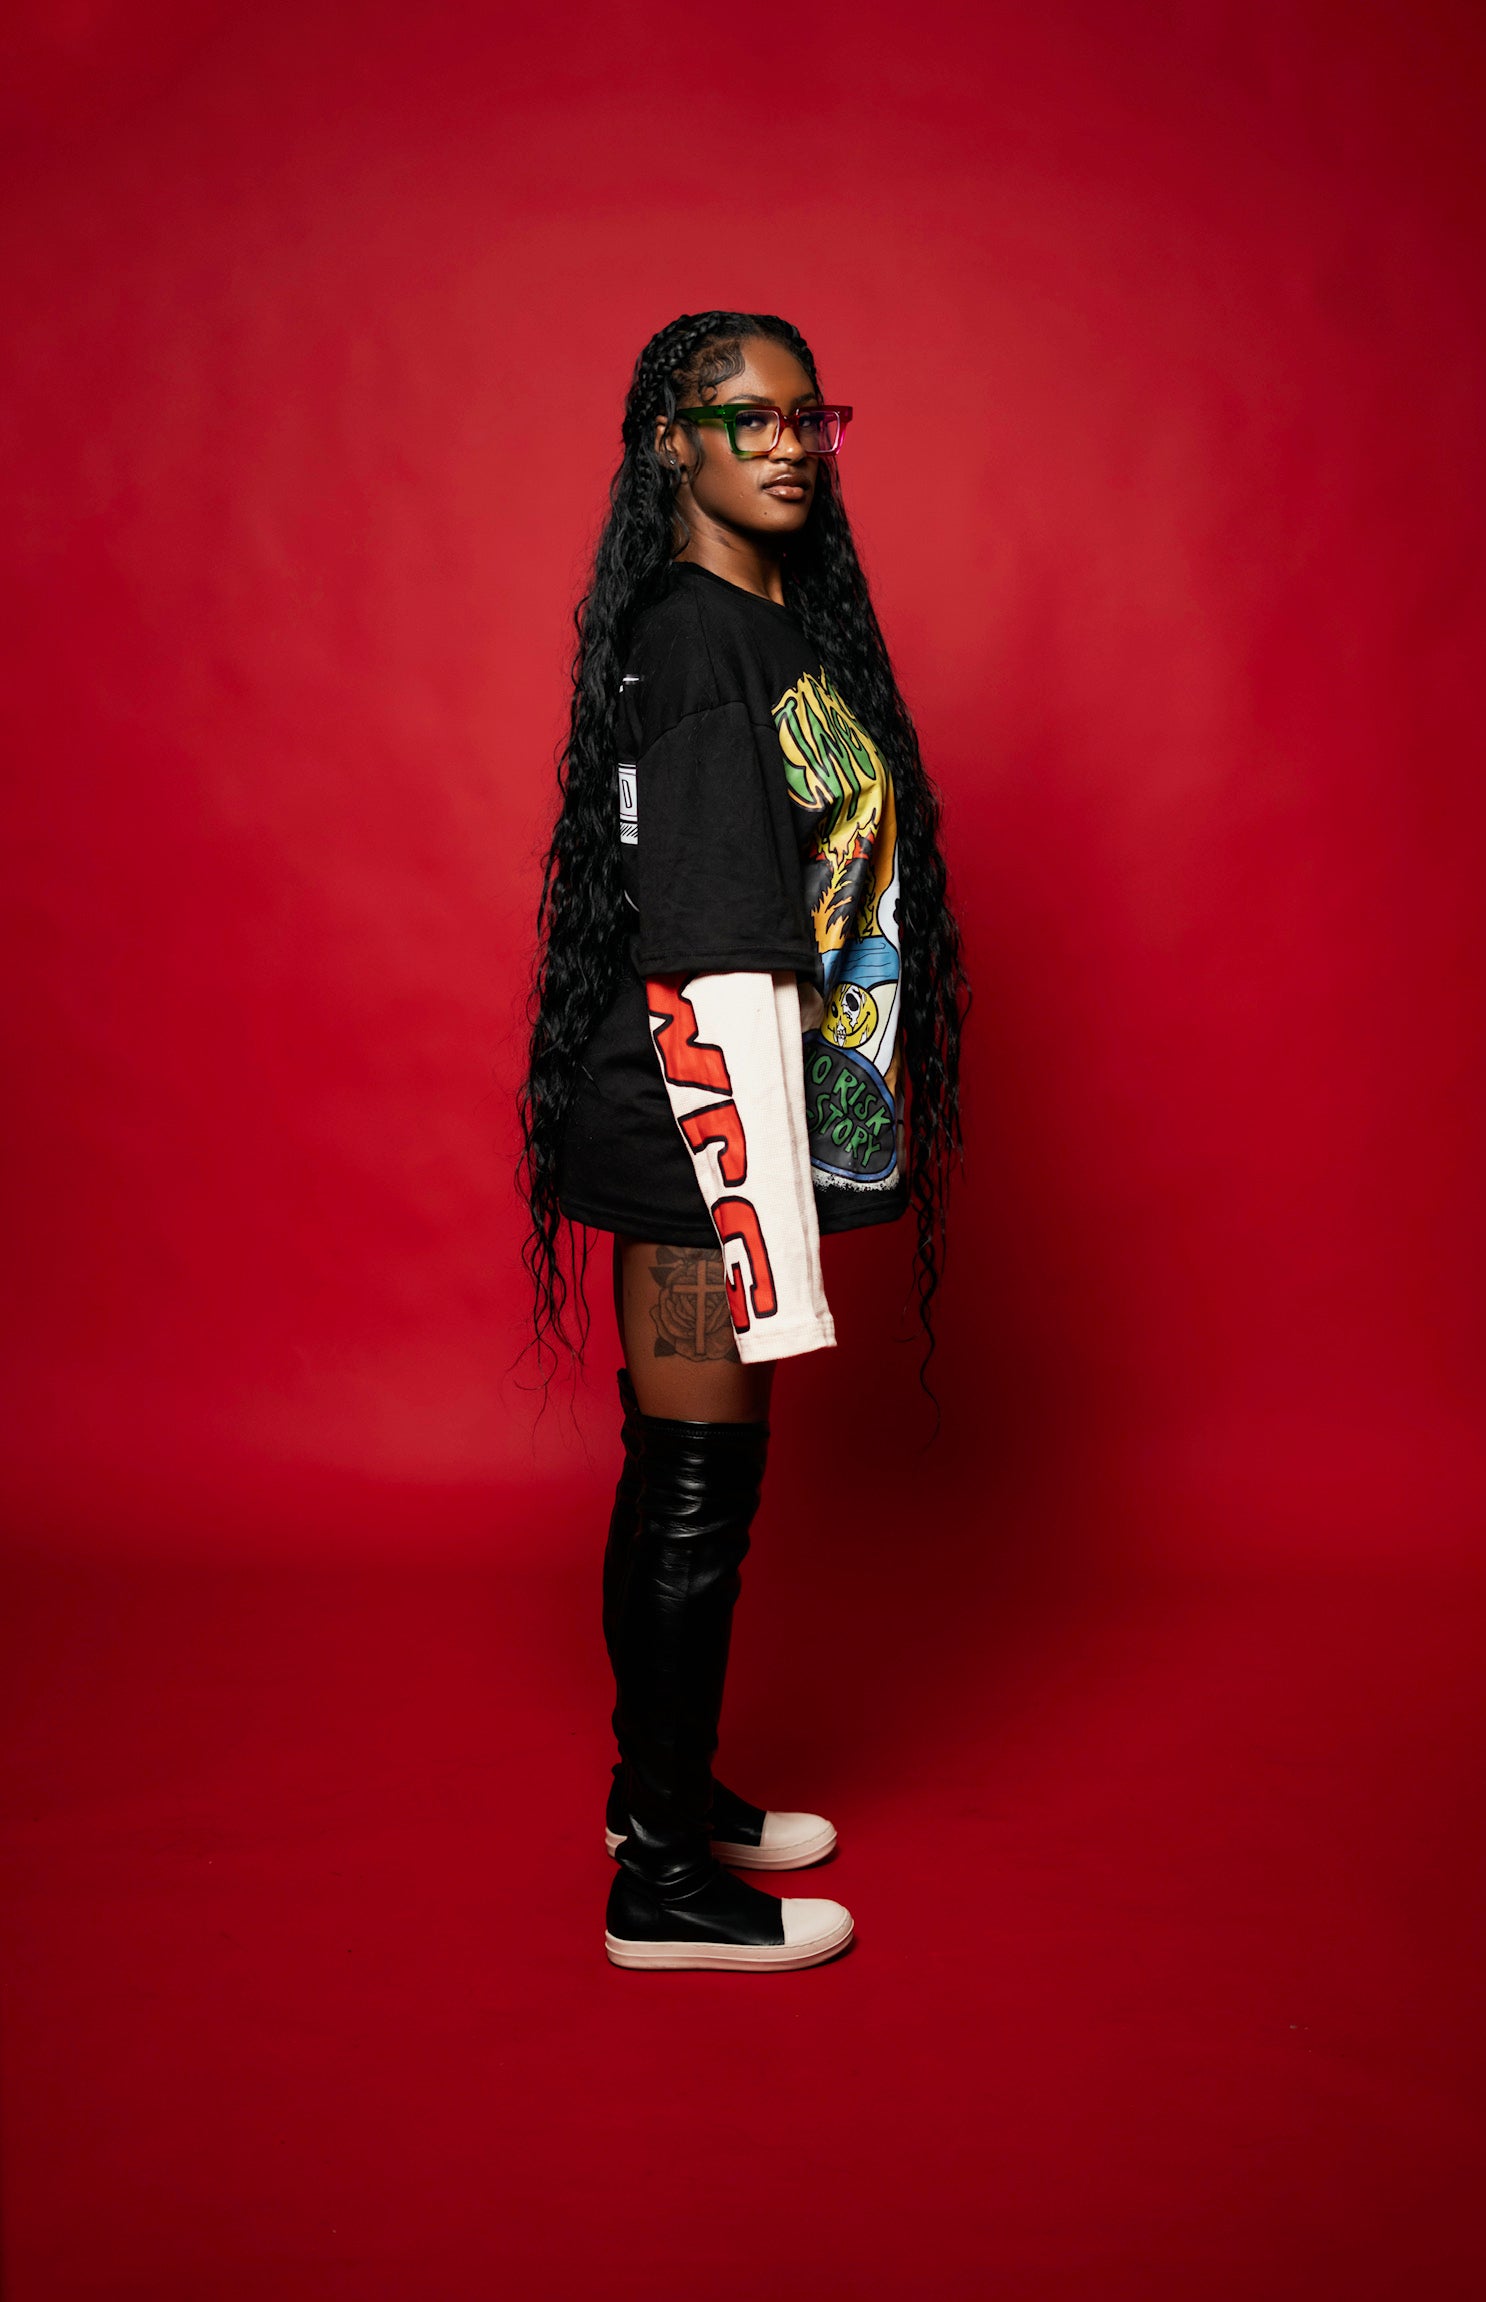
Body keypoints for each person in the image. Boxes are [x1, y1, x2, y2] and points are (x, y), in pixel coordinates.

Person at [520, 310, 965, 1972]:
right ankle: (661, 1883)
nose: (787, 446)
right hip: (708, 1116)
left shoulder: (752, 624)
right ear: (672, 443)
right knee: (700, 1490)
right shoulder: (705, 641)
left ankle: (664, 1793)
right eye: (746, 418)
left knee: (681, 1479)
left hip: (719, 1107)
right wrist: (760, 1202)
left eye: (807, 417)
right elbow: (715, 952)